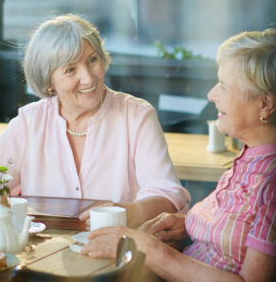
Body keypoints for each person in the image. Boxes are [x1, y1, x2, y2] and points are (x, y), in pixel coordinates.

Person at [0, 14, 190, 227]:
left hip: (118, 252)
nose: (88, 78)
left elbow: (166, 192)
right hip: (43, 253)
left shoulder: (136, 115)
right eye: (70, 69)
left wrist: (126, 213)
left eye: (92, 60)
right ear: (48, 81)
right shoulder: (31, 121)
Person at [82, 29, 276, 281]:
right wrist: (187, 225)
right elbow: (237, 228)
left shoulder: (270, 182)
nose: (211, 95)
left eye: (224, 86)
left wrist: (146, 247)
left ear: (265, 104)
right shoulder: (249, 158)